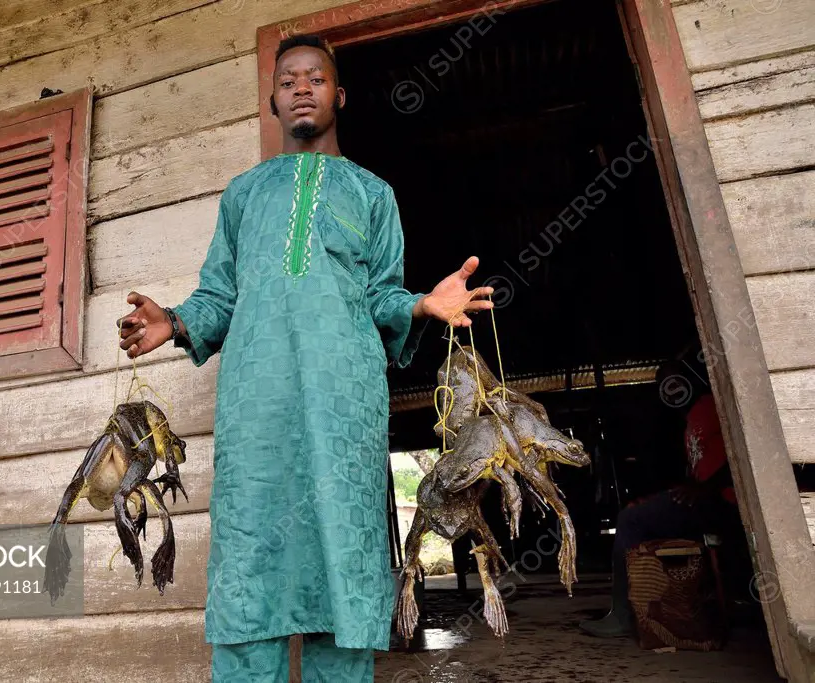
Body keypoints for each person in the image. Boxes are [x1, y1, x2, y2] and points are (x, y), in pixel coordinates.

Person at [116, 35, 494, 682]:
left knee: (340, 552)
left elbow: (381, 294)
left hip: (343, 401)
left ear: (338, 94)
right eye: (287, 79)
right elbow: (218, 295)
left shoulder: (374, 195)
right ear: (271, 99)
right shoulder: (243, 195)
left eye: (315, 77)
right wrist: (176, 322)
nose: (300, 87)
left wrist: (421, 307)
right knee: (250, 561)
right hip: (255, 403)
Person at [579, 359, 736, 638]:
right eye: (662, 382)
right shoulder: (690, 418)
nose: (669, 388)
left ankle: (623, 616)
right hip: (706, 499)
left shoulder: (715, 405)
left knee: (630, 520)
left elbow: (739, 455)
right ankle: (654, 605)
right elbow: (700, 471)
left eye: (673, 379)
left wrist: (706, 489)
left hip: (724, 502)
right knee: (635, 513)